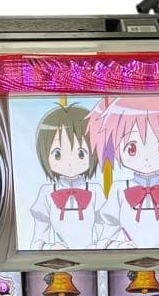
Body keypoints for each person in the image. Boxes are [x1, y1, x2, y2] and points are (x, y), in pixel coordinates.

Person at [88, 95, 159, 248]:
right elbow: (108, 227)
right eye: (132, 148)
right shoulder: (119, 189)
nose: (147, 158)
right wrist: (117, 246)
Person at [28, 104, 106, 250]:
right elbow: (38, 238)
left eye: (81, 153)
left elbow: (105, 229)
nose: (70, 163)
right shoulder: (46, 192)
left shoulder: (95, 191)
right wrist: (49, 248)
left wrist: (101, 247)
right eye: (57, 154)